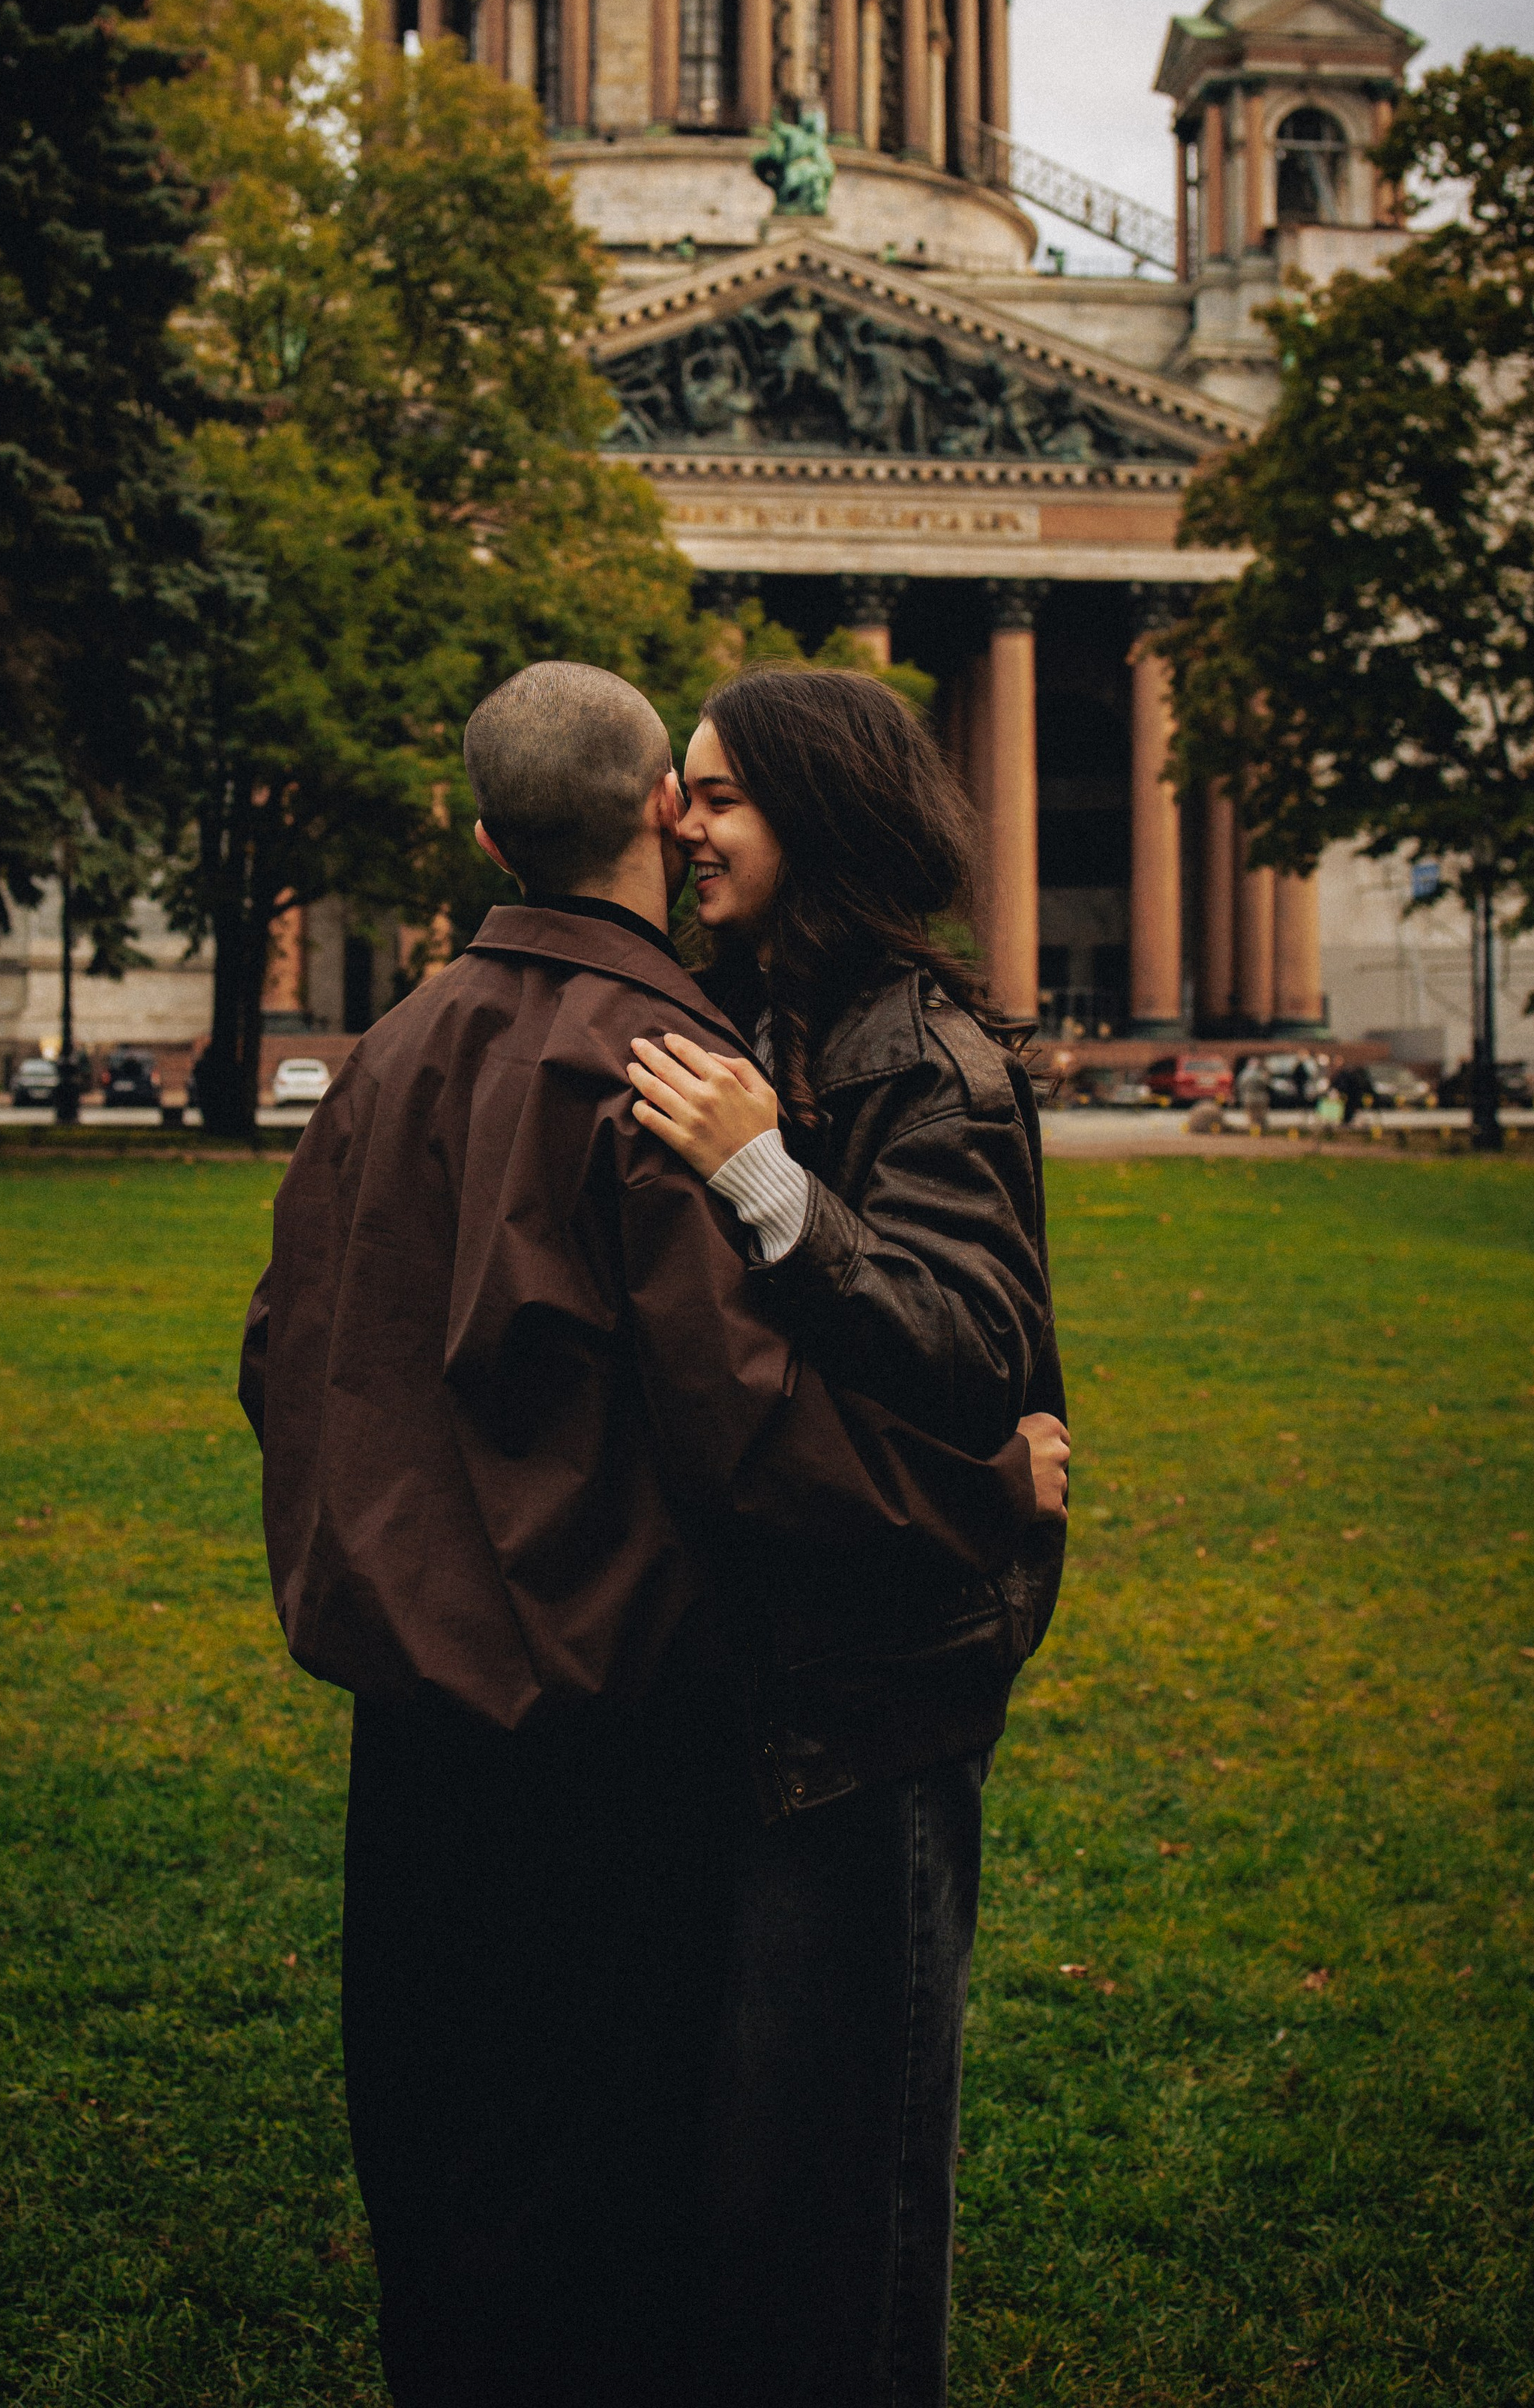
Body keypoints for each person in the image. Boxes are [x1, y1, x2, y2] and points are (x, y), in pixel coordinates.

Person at [238, 661, 1065, 2408]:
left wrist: (380, 1586)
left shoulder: (382, 1056)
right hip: (604, 1723)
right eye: (689, 791)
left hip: (416, 1727)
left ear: (474, 837)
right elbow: (750, 1425)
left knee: (452, 2189)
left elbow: (283, 1364)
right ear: (653, 814)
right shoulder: (662, 1067)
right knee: (617, 2211)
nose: (700, 820)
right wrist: (990, 1491)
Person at [624, 663, 1069, 2408]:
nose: (683, 819)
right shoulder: (773, 1017)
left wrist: (764, 1183)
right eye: (680, 788)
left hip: (876, 1705)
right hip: (773, 1680)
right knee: (750, 2178)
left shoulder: (922, 1060)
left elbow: (970, 1356)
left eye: (721, 793)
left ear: (819, 814)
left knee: (843, 2203)